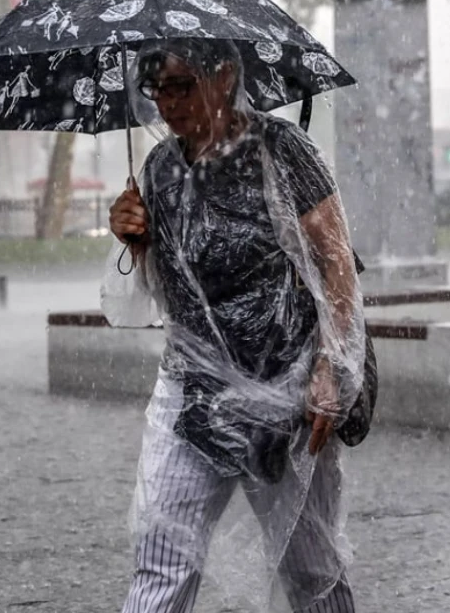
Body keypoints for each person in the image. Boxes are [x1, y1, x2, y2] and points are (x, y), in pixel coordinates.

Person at [104, 38, 367, 613]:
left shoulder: (281, 151)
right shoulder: (159, 170)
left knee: (311, 570)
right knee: (162, 556)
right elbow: (157, 295)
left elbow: (335, 261)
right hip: (192, 396)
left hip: (285, 396)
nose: (167, 104)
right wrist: (132, 239)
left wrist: (332, 368)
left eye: (181, 85)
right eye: (156, 89)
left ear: (224, 76)